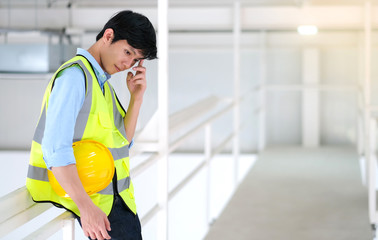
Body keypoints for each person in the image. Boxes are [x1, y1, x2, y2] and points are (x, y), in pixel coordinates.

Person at [26, 10, 157, 240]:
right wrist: (85, 207)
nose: (128, 64)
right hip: (98, 207)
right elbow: (55, 150)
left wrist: (136, 98)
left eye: (136, 59)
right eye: (128, 52)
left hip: (117, 203)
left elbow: (122, 141)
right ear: (108, 36)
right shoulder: (75, 77)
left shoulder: (103, 85)